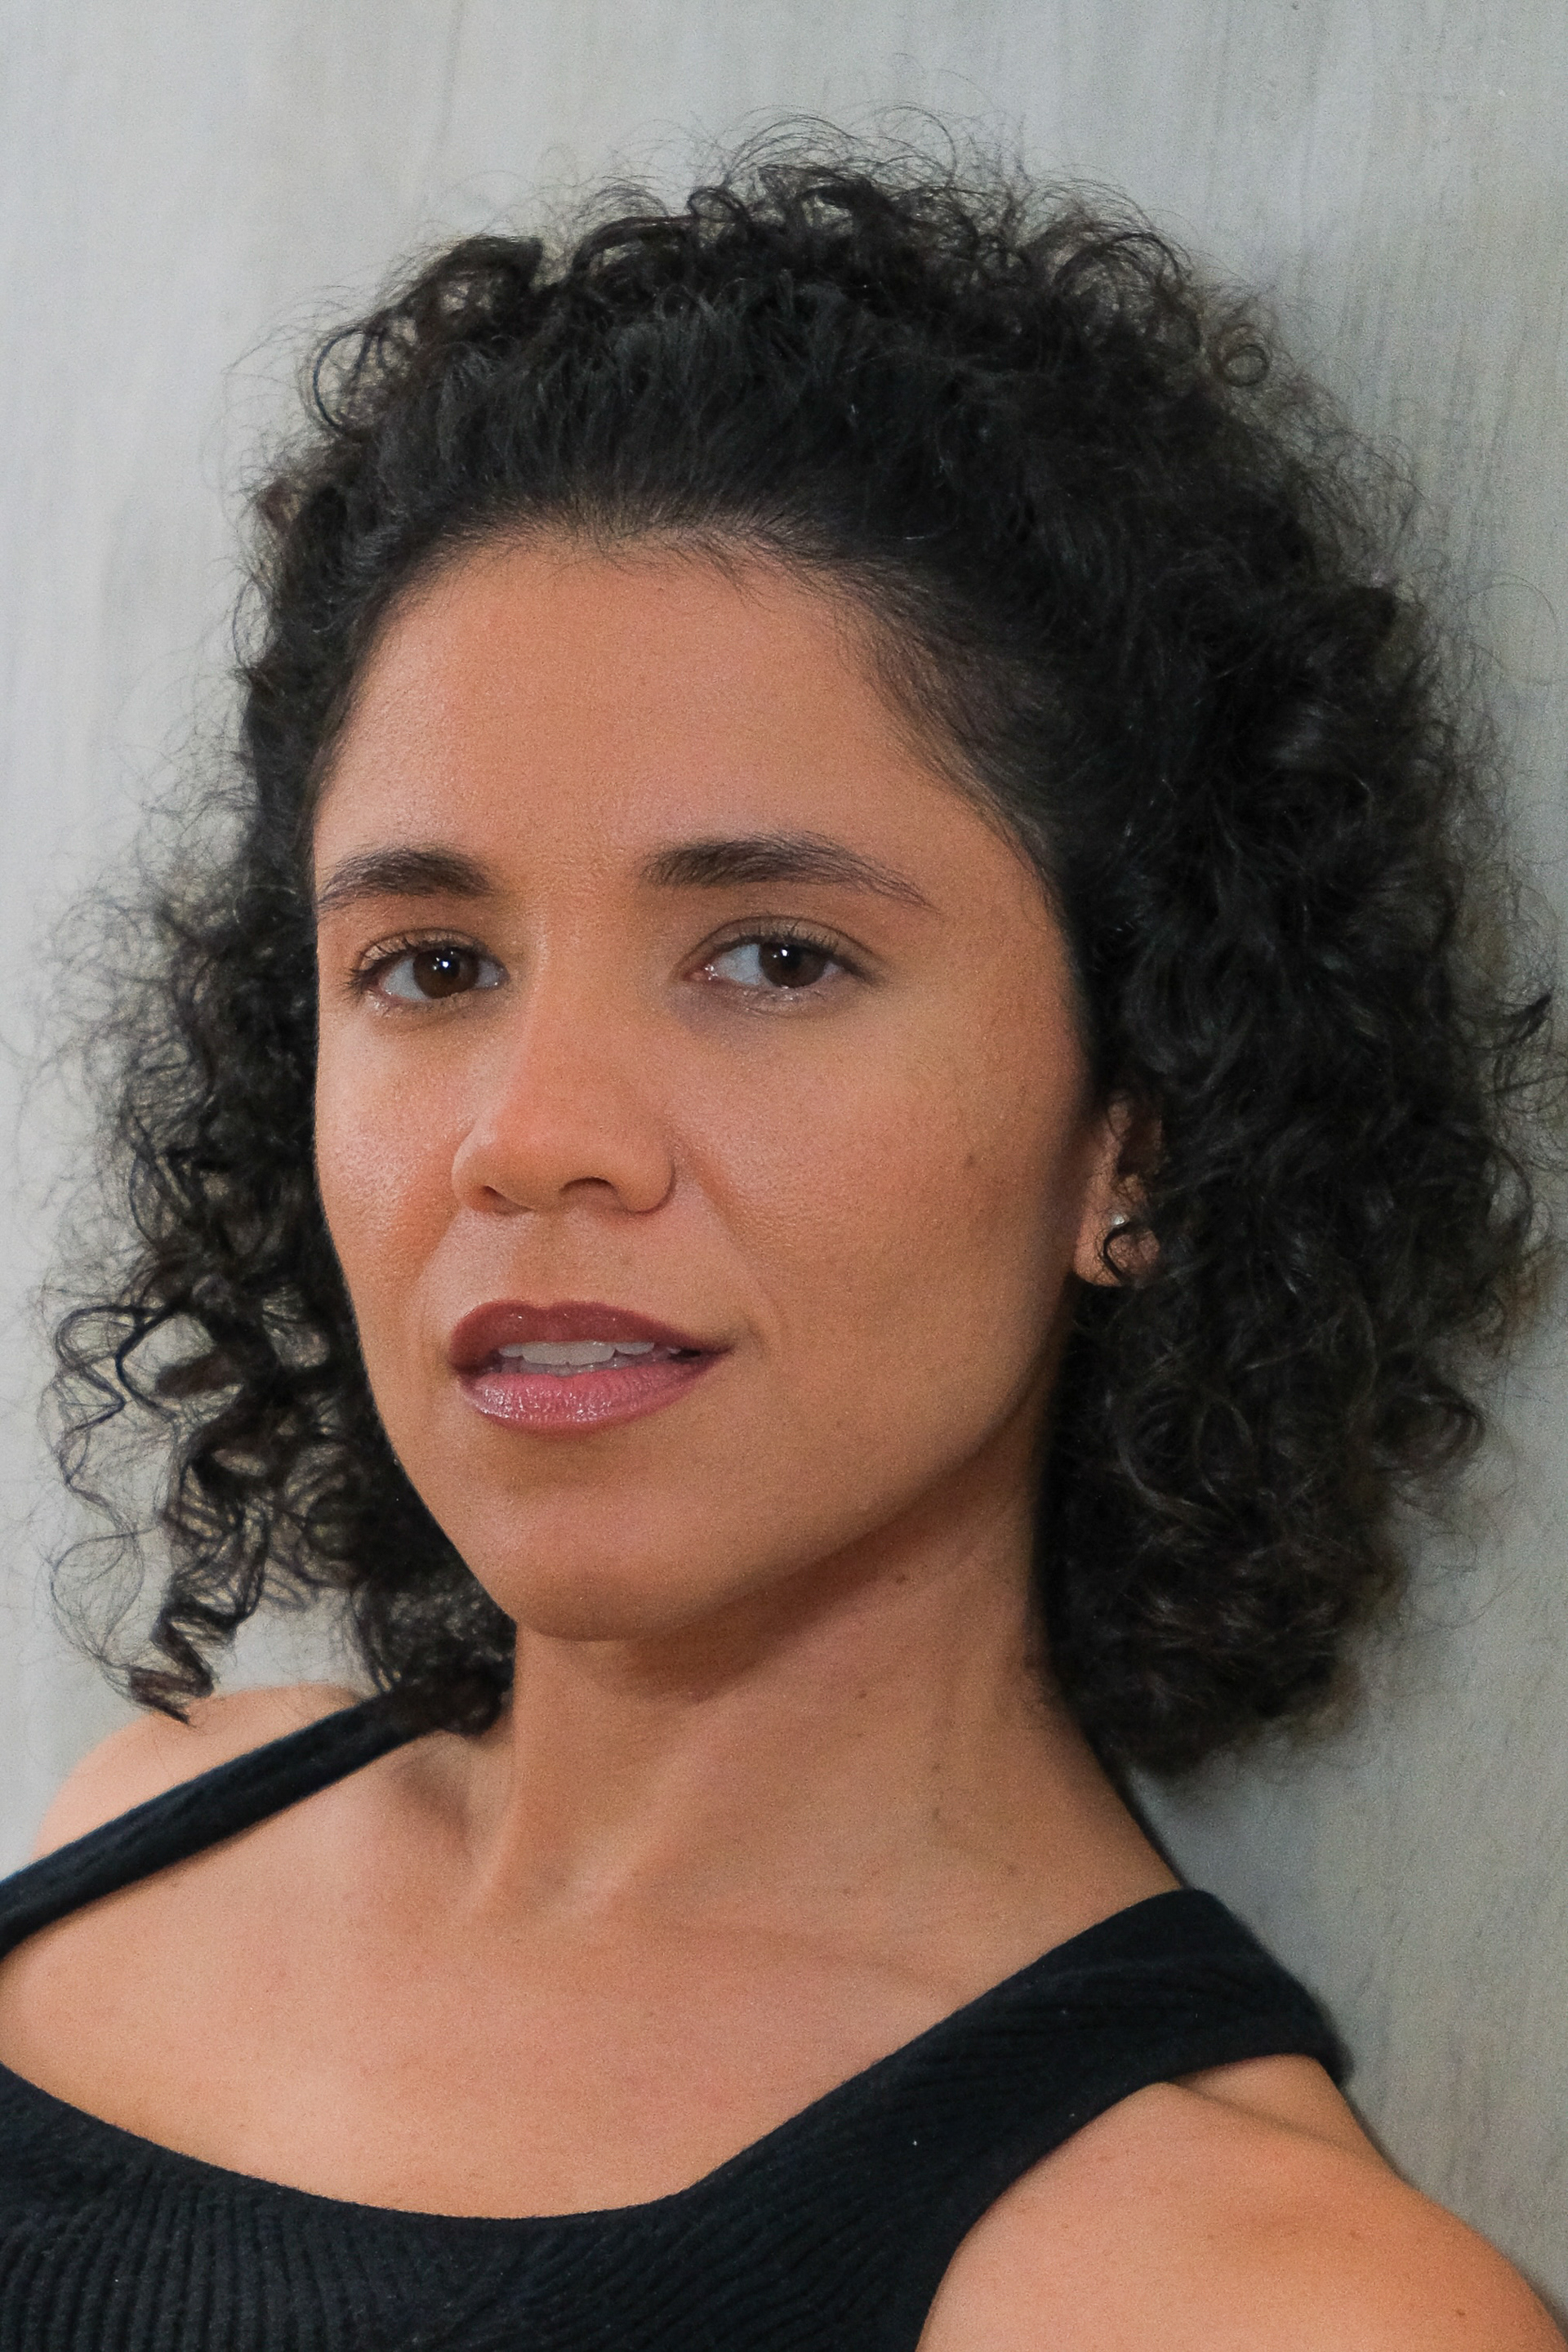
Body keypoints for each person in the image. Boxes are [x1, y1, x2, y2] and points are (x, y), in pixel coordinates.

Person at [0, 144, 1559, 2350]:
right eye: (432, 967)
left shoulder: (1232, 2299)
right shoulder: (144, 1824)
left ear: (1140, 1125)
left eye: (773, 957)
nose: (530, 1140)